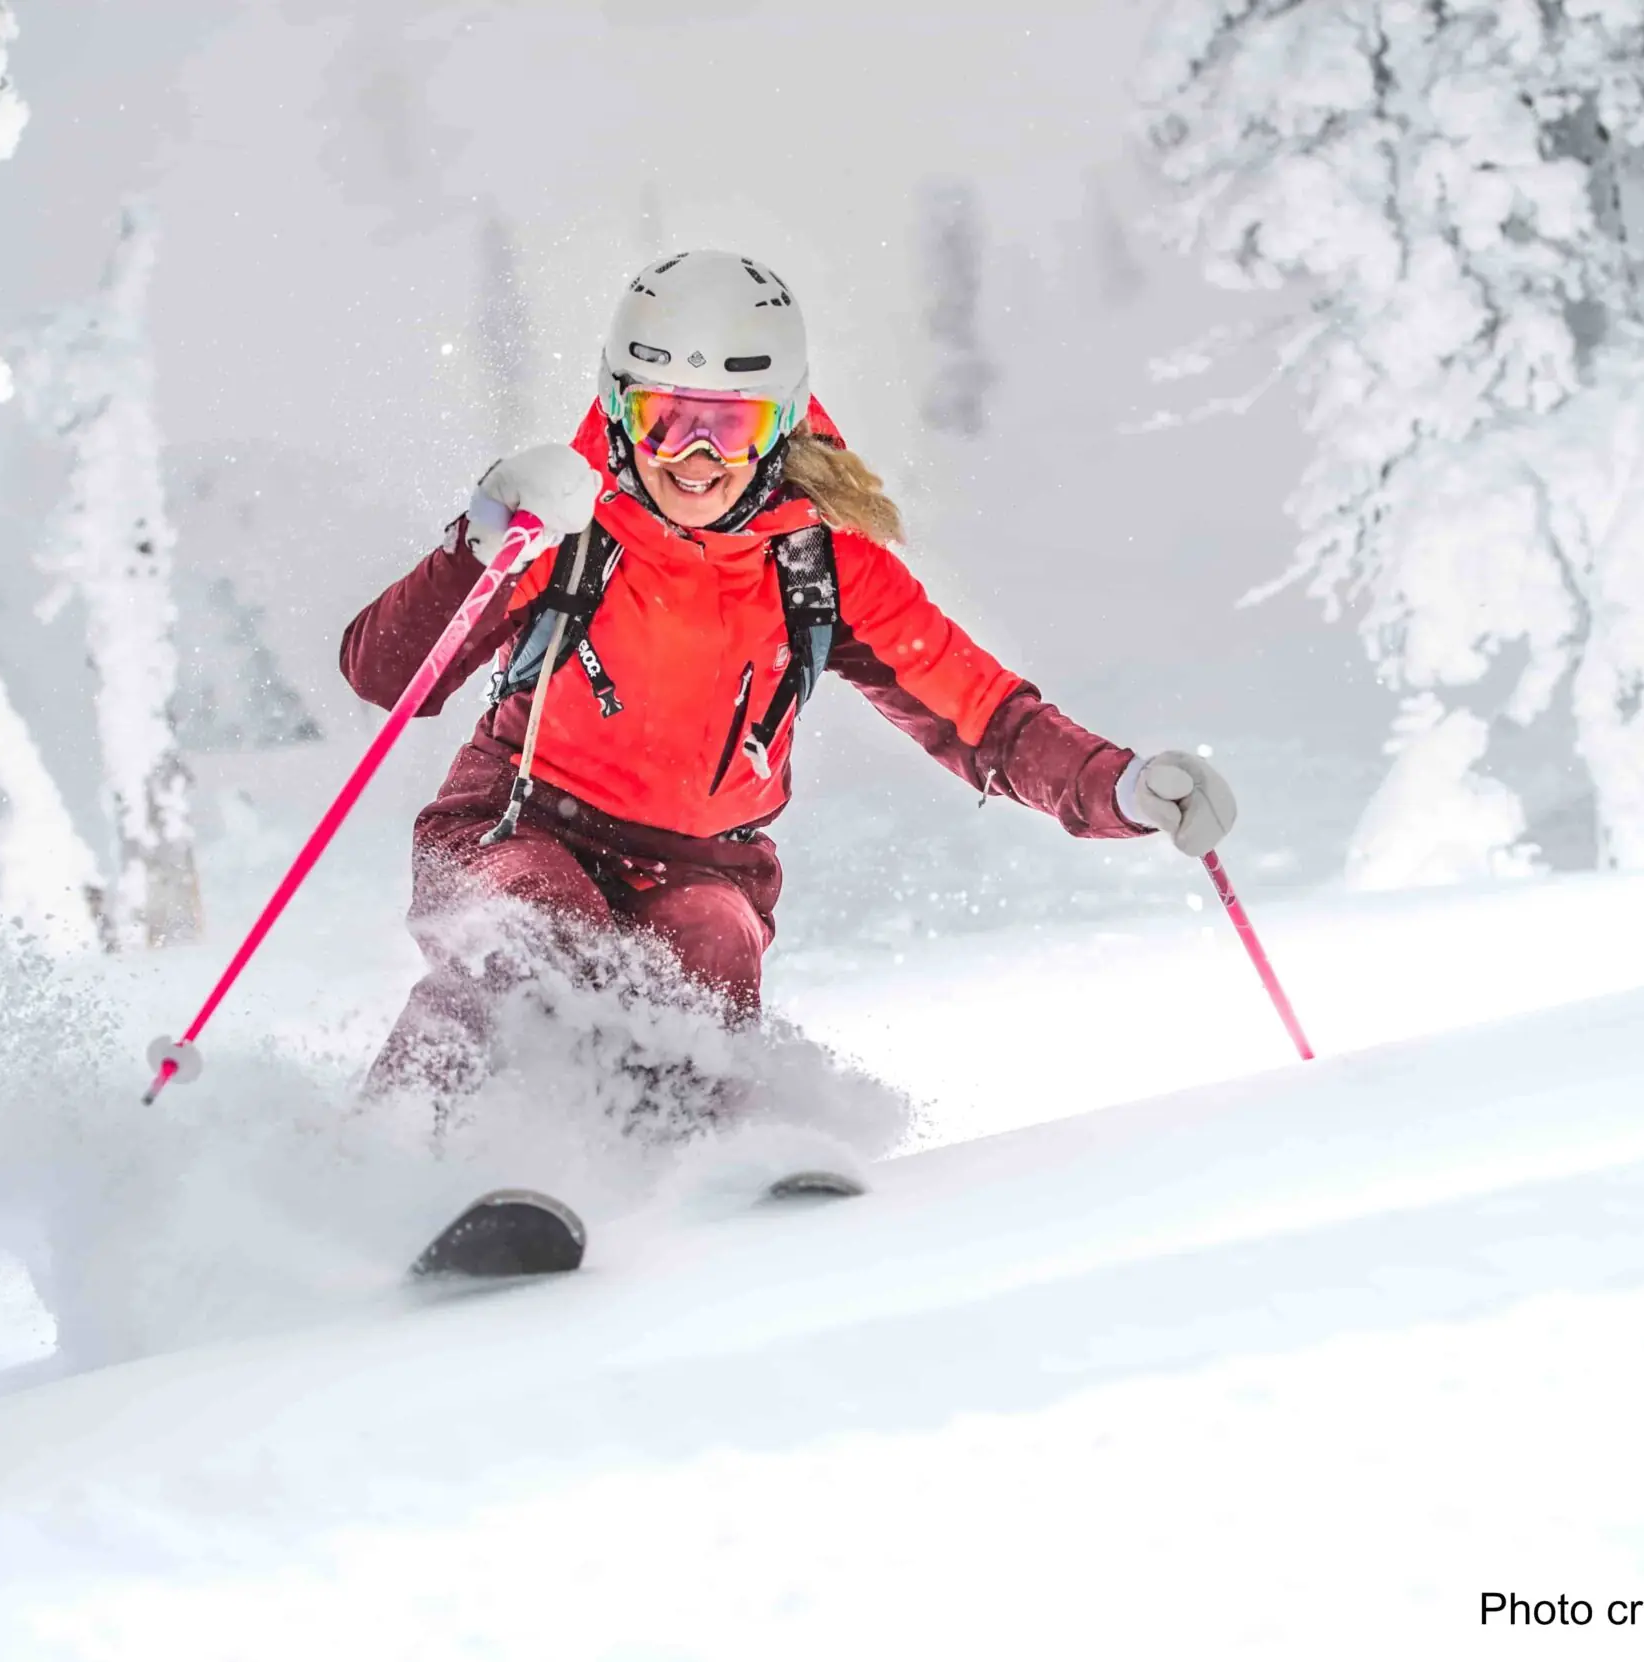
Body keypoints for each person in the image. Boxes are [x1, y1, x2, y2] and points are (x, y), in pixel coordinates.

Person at [342, 249, 1236, 1095]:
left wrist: (1117, 789)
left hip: (702, 865)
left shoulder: (817, 562)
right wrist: (478, 545)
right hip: (518, 823)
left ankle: (684, 1169)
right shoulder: (565, 523)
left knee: (711, 939)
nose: (696, 461)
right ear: (620, 407)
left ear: (784, 422)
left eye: (731, 426)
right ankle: (415, 1146)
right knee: (539, 921)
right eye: (667, 420)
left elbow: (981, 715)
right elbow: (385, 675)